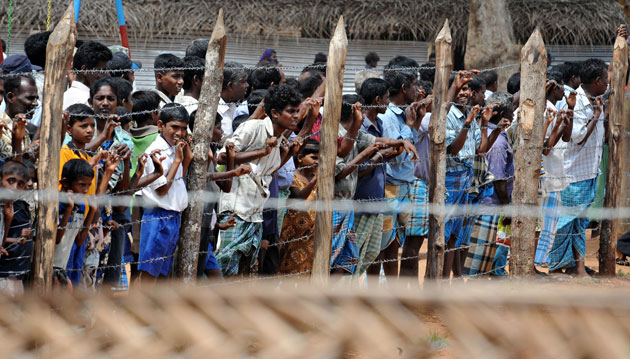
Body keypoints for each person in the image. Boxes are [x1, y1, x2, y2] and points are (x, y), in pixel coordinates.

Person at [215, 84, 312, 276]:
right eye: (291, 111)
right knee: (225, 267)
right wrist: (262, 151)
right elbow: (223, 156)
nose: (295, 116)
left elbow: (269, 171)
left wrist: (288, 152)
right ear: (275, 113)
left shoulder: (278, 140)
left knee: (245, 271)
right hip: (236, 209)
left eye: (297, 112)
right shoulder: (253, 128)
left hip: (255, 213)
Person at [548, 59, 608, 277]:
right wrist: (596, 116)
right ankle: (558, 266)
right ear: (598, 80)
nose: (609, 82)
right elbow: (579, 137)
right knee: (567, 221)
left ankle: (576, 265)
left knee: (579, 223)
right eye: (606, 78)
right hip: (573, 173)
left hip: (589, 170)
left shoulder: (595, 100)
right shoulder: (575, 102)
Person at [375, 60, 425, 279]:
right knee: (381, 242)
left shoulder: (406, 113)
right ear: (405, 88)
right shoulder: (388, 116)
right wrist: (410, 126)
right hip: (389, 185)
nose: (417, 89)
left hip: (402, 185)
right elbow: (398, 156)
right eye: (414, 84)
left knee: (395, 241)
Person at [137, 103, 192, 282]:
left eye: (184, 128)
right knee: (149, 273)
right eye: (174, 127)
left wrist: (185, 155)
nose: (179, 133)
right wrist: (177, 160)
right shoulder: (157, 152)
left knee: (162, 272)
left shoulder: (173, 148)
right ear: (161, 126)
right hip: (158, 217)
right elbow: (162, 190)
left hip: (172, 217)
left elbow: (181, 174)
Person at [443, 71, 490, 278]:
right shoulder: (449, 115)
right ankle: (439, 280)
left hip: (466, 177)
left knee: (455, 233)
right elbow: (453, 149)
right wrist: (468, 124)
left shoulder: (469, 112)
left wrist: (485, 123)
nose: (464, 93)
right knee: (444, 233)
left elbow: (480, 149)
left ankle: (451, 278)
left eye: (467, 89)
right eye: (460, 89)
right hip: (451, 177)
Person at [195, 112, 251, 279]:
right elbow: (201, 177)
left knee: (215, 277)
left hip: (208, 227)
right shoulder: (198, 156)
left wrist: (231, 160)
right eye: (218, 128)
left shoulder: (212, 155)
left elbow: (226, 186)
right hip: (197, 228)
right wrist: (233, 171)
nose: (221, 132)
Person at [463, 92, 512, 276]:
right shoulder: (498, 141)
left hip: (484, 200)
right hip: (492, 203)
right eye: (511, 111)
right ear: (501, 114)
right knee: (485, 254)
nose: (514, 115)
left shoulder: (491, 132)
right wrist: (507, 208)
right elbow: (499, 179)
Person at [535, 71, 575, 270]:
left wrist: (570, 111)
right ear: (553, 88)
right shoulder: (545, 111)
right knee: (546, 220)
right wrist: (558, 122)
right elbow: (546, 147)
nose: (564, 91)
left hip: (555, 171)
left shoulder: (555, 108)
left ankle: (541, 257)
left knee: (550, 219)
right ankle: (538, 258)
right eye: (560, 86)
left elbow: (566, 138)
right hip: (547, 172)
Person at [277, 140, 319, 274]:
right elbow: (299, 198)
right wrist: (313, 182)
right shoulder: (293, 177)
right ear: (300, 157)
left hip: (309, 236)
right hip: (292, 235)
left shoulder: (318, 179)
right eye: (313, 158)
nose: (317, 162)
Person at [0, 161, 31, 296]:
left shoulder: (8, 207)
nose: (14, 187)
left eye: (20, 184)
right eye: (10, 181)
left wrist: (8, 219)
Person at [63, 41, 112, 109]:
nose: (108, 75)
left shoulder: (65, 96)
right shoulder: (88, 102)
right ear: (85, 70)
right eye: (102, 70)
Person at [0, 75, 38, 159]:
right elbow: (10, 167)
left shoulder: (24, 128)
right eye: (30, 98)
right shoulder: (2, 128)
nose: (36, 103)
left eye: (36, 98)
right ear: (10, 97)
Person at [219, 61, 249, 137]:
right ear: (230, 86)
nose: (247, 85)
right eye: (243, 82)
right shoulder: (215, 112)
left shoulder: (233, 106)